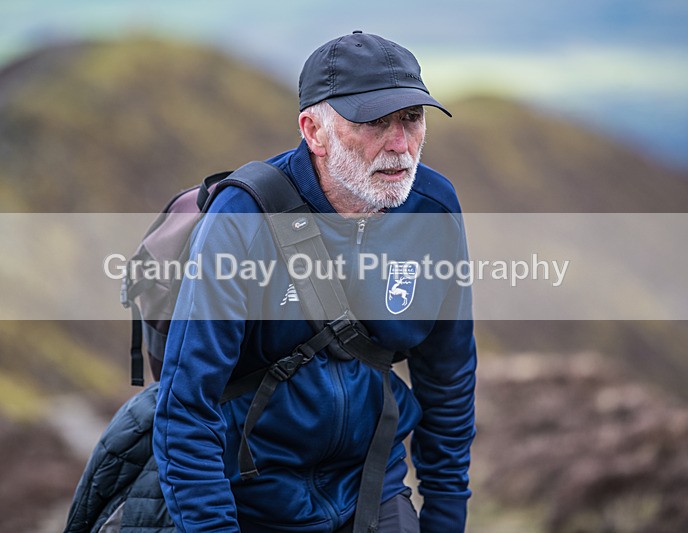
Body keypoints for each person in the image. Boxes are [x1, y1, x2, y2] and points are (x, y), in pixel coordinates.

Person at [154, 31, 477, 532]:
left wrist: (445, 520)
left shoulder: (432, 207)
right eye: (373, 121)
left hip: (372, 486)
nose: (399, 145)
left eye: (412, 119)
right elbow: (185, 408)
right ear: (313, 130)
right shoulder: (244, 217)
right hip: (253, 496)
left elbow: (448, 380)